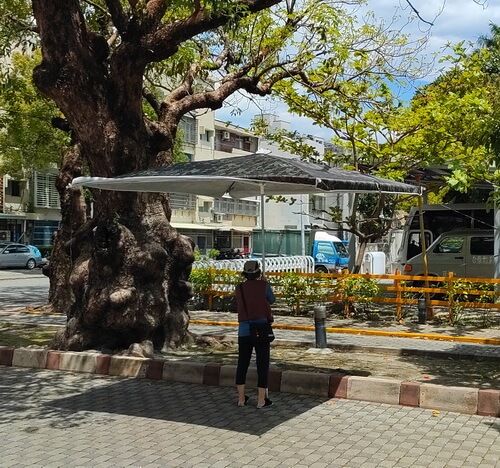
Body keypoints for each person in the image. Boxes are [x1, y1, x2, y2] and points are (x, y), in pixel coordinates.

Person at [235, 260, 276, 408]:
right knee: (262, 363)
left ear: (245, 273)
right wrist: (264, 283)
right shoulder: (263, 286)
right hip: (261, 329)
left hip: (244, 329)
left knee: (242, 363)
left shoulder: (239, 288)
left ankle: (241, 399)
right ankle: (261, 400)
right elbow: (272, 299)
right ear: (258, 272)